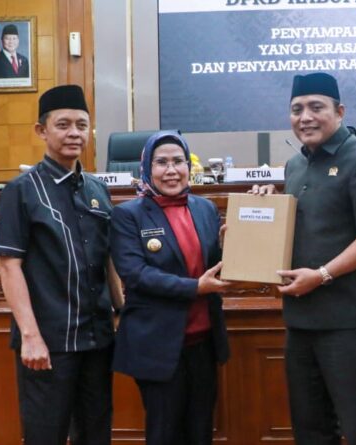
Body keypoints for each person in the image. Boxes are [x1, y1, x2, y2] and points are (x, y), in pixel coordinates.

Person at [251, 72, 356, 445]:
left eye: (316, 107)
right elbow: (301, 229)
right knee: (310, 429)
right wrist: (251, 225)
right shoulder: (294, 165)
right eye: (296, 109)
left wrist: (322, 275)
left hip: (349, 322)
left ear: (340, 111)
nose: (305, 117)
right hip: (301, 320)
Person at [0, 84, 123, 445]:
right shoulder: (21, 190)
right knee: (45, 436)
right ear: (42, 130)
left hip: (97, 339)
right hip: (49, 343)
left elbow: (108, 258)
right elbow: (8, 266)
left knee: (96, 434)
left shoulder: (97, 189)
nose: (74, 133)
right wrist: (30, 337)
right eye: (63, 125)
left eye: (82, 125)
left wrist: (119, 311)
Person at [110, 130, 231, 445]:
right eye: (161, 162)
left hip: (203, 344)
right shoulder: (128, 215)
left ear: (189, 166)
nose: (171, 170)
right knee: (165, 434)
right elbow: (136, 274)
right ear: (146, 168)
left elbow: (213, 266)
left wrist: (228, 246)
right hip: (158, 347)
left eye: (179, 161)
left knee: (200, 432)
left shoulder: (205, 208)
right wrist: (195, 288)